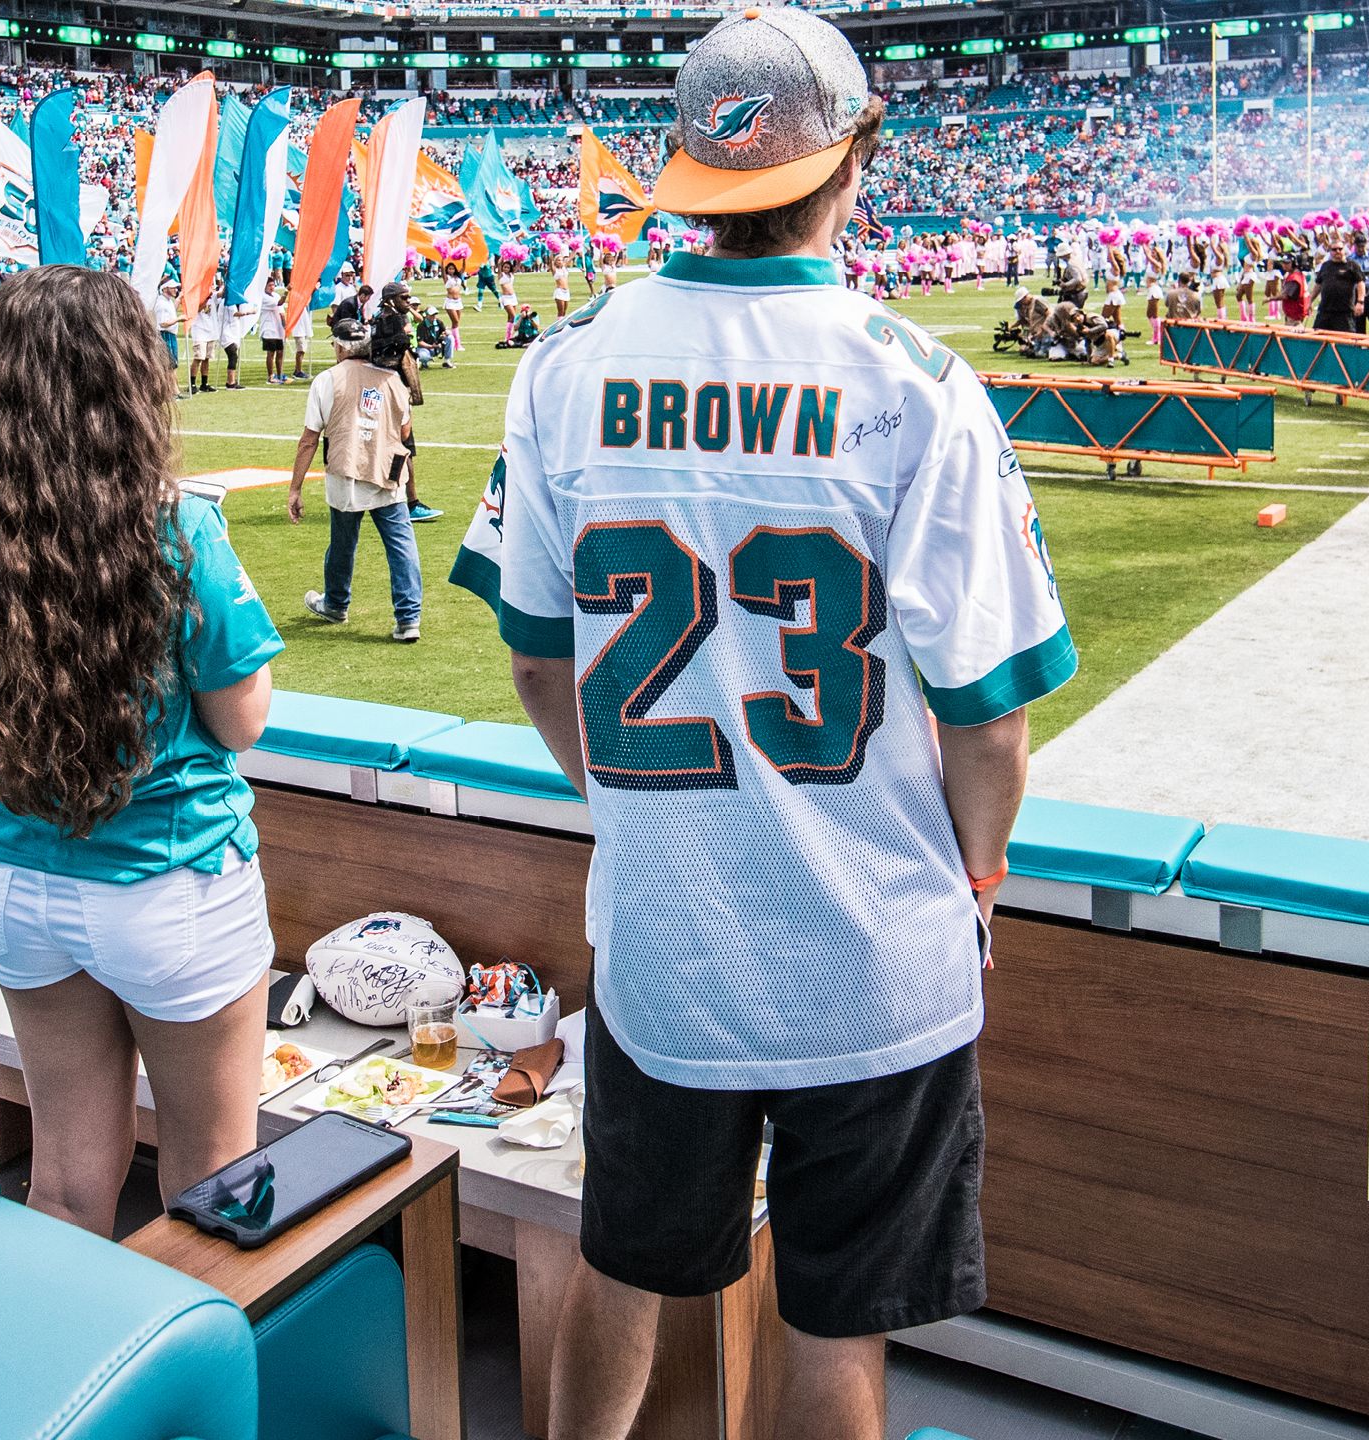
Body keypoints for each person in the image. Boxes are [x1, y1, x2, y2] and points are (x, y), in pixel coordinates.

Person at [493, 14, 1075, 1439]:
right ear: (853, 159)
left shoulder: (566, 364)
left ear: (688, 169)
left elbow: (537, 665)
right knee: (836, 1331)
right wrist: (979, 873)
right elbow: (989, 723)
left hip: (667, 942)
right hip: (875, 951)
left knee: (622, 1265)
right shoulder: (915, 385)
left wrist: (629, 810)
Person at [0, 264, 282, 1236]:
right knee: (214, 1180)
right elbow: (242, 721)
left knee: (64, 1181)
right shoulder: (178, 530)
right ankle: (193, 1348)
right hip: (170, 875)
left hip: (18, 879)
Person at [287, 317, 419, 643]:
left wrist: (295, 488)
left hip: (347, 470)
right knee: (401, 545)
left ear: (340, 346)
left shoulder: (327, 380)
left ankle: (336, 603)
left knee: (343, 543)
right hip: (388, 470)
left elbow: (309, 439)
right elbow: (405, 430)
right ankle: (408, 618)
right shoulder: (392, 378)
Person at [1311, 239, 1364, 333]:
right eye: (1334, 249)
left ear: (1344, 250)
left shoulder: (1352, 265)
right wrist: (1310, 301)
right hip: (1325, 311)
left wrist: (1360, 302)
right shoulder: (1325, 266)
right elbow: (1318, 285)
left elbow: (1361, 283)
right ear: (1330, 251)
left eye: (1340, 249)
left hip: (1344, 312)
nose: (1337, 251)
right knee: (1317, 337)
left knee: (1345, 340)